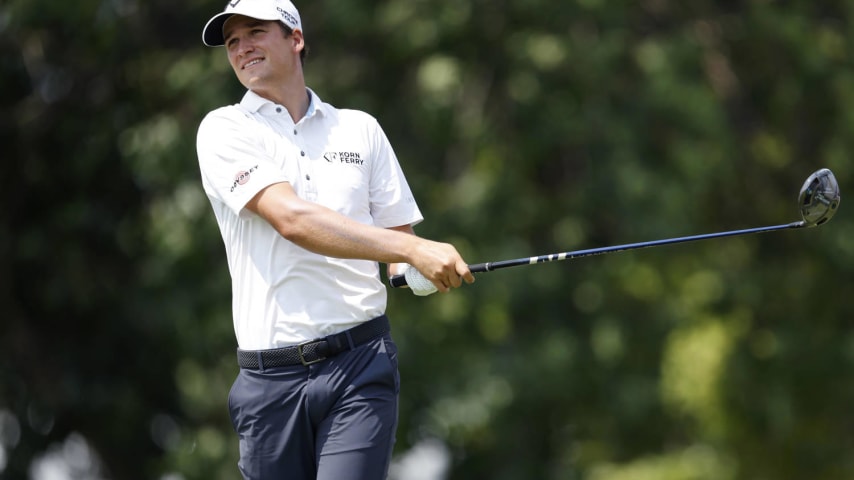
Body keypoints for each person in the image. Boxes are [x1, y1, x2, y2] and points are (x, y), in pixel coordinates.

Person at [195, 0, 475, 478]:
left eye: (255, 32)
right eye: (232, 41)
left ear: (295, 38)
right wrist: (413, 250)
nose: (242, 48)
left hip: (359, 366)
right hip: (269, 382)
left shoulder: (360, 130)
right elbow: (292, 219)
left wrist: (416, 271)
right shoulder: (224, 129)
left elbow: (397, 249)